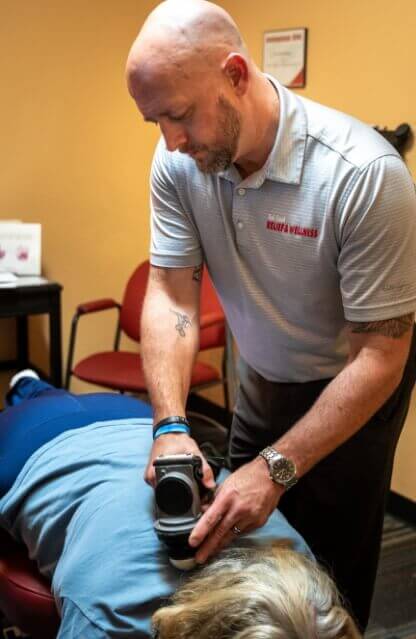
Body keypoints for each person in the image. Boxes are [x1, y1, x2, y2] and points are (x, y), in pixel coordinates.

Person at [125, 0, 416, 630]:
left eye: (177, 115)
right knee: (243, 544)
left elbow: (381, 357)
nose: (170, 141)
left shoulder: (363, 174)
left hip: (354, 379)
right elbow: (173, 292)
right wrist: (170, 424)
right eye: (154, 121)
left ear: (235, 74)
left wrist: (279, 466)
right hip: (263, 371)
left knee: (328, 579)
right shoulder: (179, 161)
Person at [0, 372, 361, 638]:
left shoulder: (305, 581)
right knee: (38, 401)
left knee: (45, 395)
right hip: (31, 446)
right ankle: (28, 387)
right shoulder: (108, 619)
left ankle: (30, 385)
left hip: (130, 417)